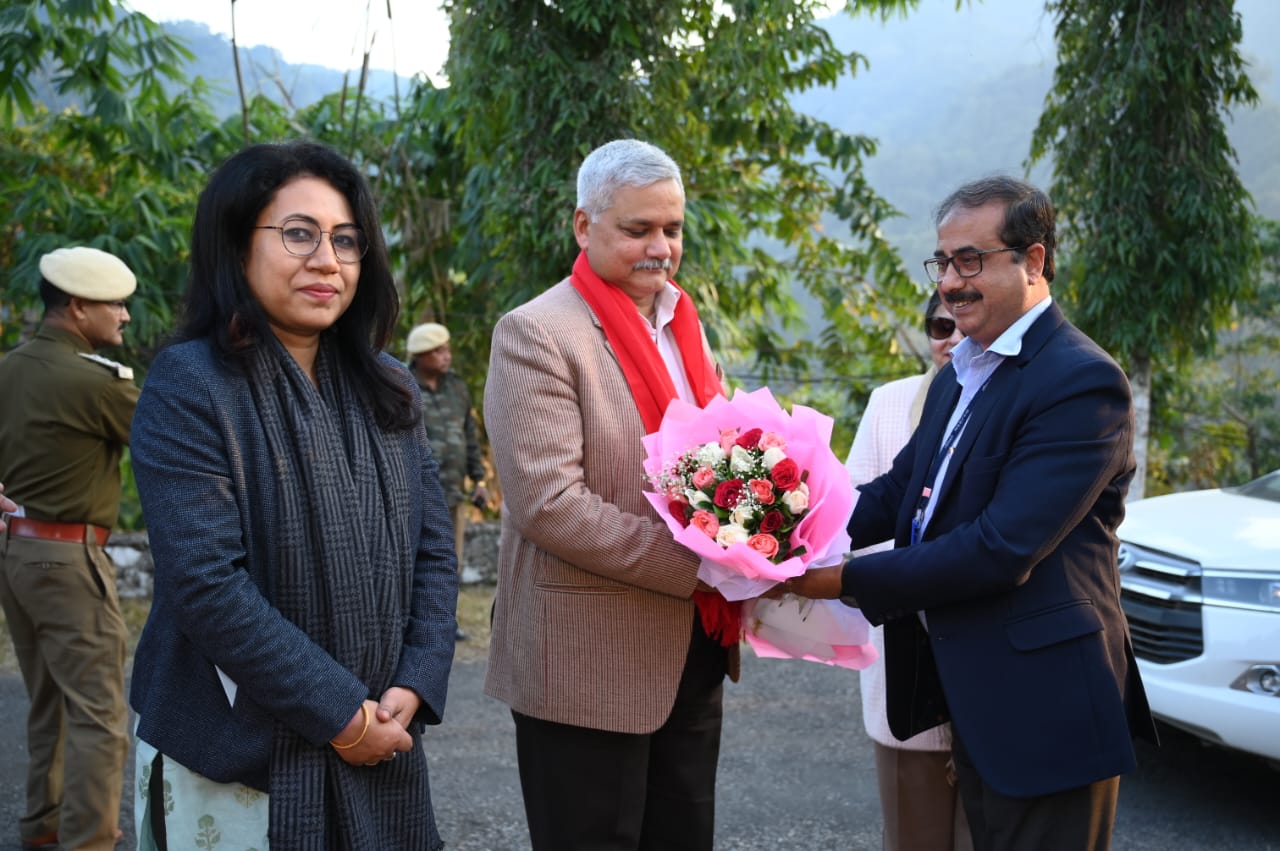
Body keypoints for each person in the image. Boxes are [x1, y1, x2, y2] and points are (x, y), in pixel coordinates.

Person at [793, 176, 1157, 850]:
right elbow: (897, 492)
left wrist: (836, 581)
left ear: (1034, 260)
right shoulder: (962, 370)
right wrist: (782, 528)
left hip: (1048, 705)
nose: (951, 283)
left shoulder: (1080, 381)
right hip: (977, 696)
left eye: (972, 260)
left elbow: (999, 547)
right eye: (943, 263)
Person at [127, 139, 459, 849]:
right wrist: (342, 714)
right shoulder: (191, 385)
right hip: (239, 754)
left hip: (384, 727)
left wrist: (418, 677)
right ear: (235, 244)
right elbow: (208, 584)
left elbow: (432, 548)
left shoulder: (389, 385)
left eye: (345, 239)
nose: (327, 260)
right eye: (298, 234)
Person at [483, 138, 735, 851]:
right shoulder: (537, 332)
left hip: (690, 647)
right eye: (638, 229)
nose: (660, 247)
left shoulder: (684, 324)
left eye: (673, 228)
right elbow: (549, 503)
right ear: (583, 226)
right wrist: (702, 565)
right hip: (585, 662)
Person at [0, 246, 138, 851]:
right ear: (79, 308)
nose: (126, 316)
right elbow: (171, 435)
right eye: (115, 305)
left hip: (16, 557)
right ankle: (87, 843)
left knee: (49, 702)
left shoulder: (9, 368)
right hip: (67, 559)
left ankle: (44, 829)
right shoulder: (93, 381)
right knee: (101, 717)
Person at [845, 291, 971, 851]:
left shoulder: (1018, 401)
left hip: (981, 650)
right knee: (911, 831)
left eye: (963, 324)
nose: (951, 339)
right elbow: (857, 507)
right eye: (939, 326)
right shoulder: (891, 401)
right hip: (901, 646)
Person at [406, 321, 488, 641]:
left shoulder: (457, 387)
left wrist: (479, 479)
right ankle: (410, 624)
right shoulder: (400, 383)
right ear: (421, 355)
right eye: (438, 351)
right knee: (411, 559)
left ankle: (444, 623)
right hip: (412, 492)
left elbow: (469, 433)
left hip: (452, 492)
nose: (446, 356)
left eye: (447, 349)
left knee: (449, 560)